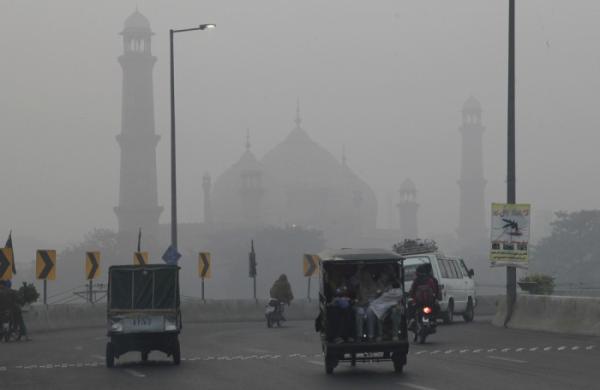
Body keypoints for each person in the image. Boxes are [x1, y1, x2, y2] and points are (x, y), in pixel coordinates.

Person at [407, 264, 440, 330]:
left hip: (419, 302)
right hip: (429, 302)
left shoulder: (416, 281)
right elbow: (435, 290)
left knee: (410, 305)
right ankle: (433, 320)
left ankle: (412, 320)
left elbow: (412, 291)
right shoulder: (431, 280)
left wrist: (411, 296)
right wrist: (435, 298)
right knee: (437, 307)